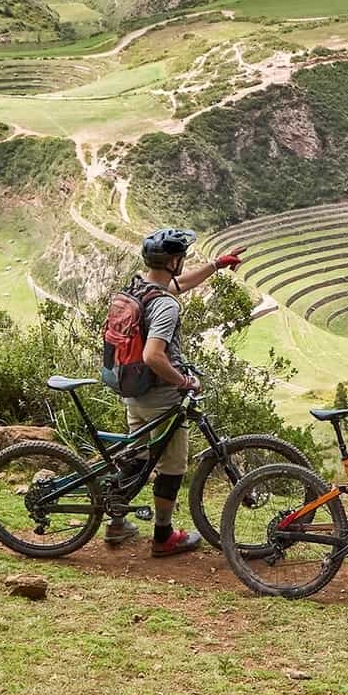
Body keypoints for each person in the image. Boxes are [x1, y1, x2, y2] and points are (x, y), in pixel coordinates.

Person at [108, 226, 243, 556]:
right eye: (181, 256)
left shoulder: (139, 287)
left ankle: (115, 523)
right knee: (172, 467)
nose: (183, 262)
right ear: (172, 261)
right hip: (162, 397)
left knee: (138, 459)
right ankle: (164, 536)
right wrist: (183, 382)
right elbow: (153, 355)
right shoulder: (166, 306)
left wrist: (215, 265)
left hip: (134, 390)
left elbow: (177, 286)